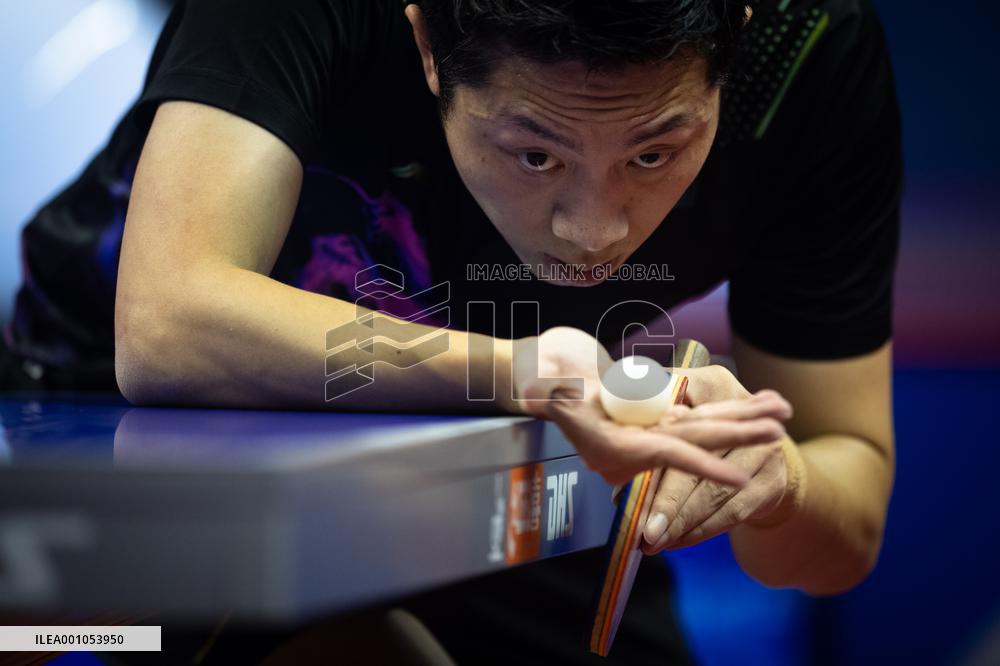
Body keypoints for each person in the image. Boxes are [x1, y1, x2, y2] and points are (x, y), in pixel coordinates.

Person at [1, 0, 900, 663]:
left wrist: (778, 479)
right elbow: (166, 329)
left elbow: (843, 526)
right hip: (123, 445)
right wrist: (519, 371)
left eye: (653, 153)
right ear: (427, 41)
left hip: (502, 456)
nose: (595, 231)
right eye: (534, 152)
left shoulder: (808, 61)